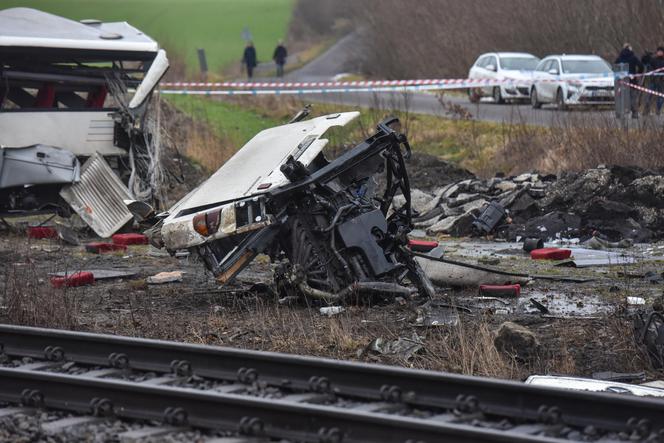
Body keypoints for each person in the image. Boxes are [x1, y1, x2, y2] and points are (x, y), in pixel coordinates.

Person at [615, 43, 644, 117]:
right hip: (632, 80)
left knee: (621, 96)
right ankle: (634, 113)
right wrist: (638, 74)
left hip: (622, 81)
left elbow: (615, 67)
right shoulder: (633, 57)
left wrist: (618, 75)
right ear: (629, 48)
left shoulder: (619, 57)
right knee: (633, 96)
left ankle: (619, 113)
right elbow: (641, 66)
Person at [649, 46, 664, 115]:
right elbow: (649, 68)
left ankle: (658, 110)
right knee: (649, 96)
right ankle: (646, 110)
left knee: (661, 97)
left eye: (661, 51)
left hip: (661, 81)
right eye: (658, 51)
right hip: (653, 80)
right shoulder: (653, 60)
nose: (659, 53)